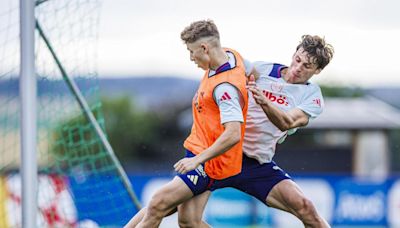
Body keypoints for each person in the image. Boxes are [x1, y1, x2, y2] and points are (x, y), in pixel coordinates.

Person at [176, 35, 334, 228]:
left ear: (317, 70)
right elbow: (229, 64)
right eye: (298, 59)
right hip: (222, 155)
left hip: (256, 164)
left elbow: (287, 122)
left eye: (307, 66)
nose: (298, 67)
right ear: (294, 54)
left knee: (306, 208)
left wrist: (264, 102)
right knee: (181, 217)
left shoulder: (312, 96)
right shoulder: (264, 70)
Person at [125, 19, 249, 228]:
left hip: (207, 163)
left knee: (158, 203)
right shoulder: (231, 55)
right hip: (198, 155)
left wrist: (197, 160)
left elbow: (233, 134)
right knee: (188, 222)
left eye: (192, 52)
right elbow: (253, 70)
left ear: (205, 48)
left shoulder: (224, 89)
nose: (191, 58)